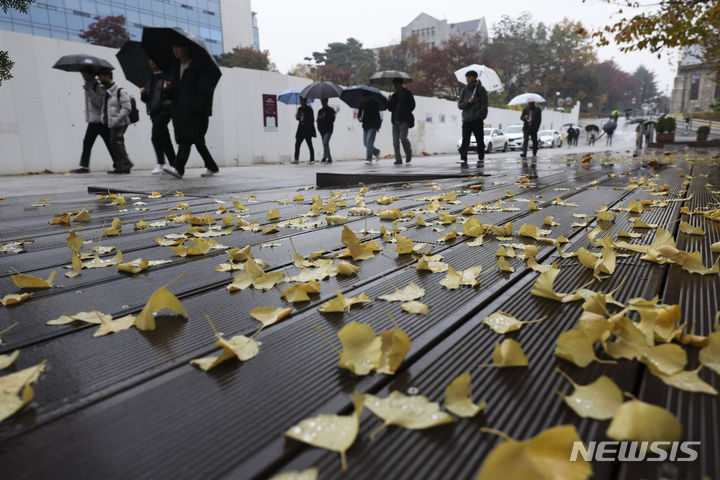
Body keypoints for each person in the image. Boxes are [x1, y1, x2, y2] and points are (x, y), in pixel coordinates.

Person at [163, 42, 218, 178]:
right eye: (173, 47)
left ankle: (178, 169)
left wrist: (196, 108)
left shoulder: (198, 68)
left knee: (186, 140)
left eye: (178, 46)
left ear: (186, 48)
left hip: (196, 112)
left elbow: (204, 91)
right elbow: (175, 94)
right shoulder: (175, 69)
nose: (175, 49)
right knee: (197, 141)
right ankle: (212, 166)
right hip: (180, 111)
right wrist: (168, 89)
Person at [70, 67, 114, 173]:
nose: (83, 77)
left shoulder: (97, 86)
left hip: (100, 121)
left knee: (109, 143)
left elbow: (99, 103)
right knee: (87, 142)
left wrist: (89, 91)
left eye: (84, 74)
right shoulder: (90, 85)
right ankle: (84, 166)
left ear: (91, 75)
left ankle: (119, 163)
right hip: (93, 121)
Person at [140, 59, 175, 174]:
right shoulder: (150, 78)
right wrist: (143, 94)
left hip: (164, 111)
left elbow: (172, 95)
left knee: (155, 136)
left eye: (154, 59)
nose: (151, 61)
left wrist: (168, 89)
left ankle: (160, 163)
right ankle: (174, 164)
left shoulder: (167, 76)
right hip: (153, 112)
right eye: (150, 59)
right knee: (165, 138)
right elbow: (147, 99)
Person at [97, 69, 133, 174]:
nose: (99, 79)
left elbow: (127, 107)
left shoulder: (119, 90)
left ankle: (126, 163)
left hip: (120, 122)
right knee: (116, 143)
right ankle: (123, 166)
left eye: (101, 76)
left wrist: (118, 119)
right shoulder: (107, 90)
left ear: (107, 76)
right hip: (112, 122)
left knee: (115, 142)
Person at [457, 70, 488, 168]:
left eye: (469, 77)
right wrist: (468, 101)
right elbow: (460, 105)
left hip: (477, 120)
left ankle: (481, 157)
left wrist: (480, 115)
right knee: (465, 140)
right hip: (466, 120)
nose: (467, 79)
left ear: (474, 78)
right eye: (466, 77)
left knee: (480, 140)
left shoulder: (481, 89)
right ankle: (463, 158)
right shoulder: (464, 90)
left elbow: (484, 105)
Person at [387, 78, 416, 164]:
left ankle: (408, 152)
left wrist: (405, 111)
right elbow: (390, 108)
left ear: (401, 84)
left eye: (397, 85)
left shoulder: (407, 93)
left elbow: (413, 105)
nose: (396, 87)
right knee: (395, 141)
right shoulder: (394, 95)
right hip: (395, 120)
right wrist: (389, 101)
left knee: (403, 138)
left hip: (404, 120)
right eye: (395, 85)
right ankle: (398, 159)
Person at [357, 92, 381, 164]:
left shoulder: (374, 103)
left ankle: (369, 158)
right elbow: (359, 114)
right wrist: (360, 118)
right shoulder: (362, 104)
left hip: (373, 125)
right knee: (365, 143)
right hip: (365, 126)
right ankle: (376, 152)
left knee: (369, 142)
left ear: (370, 96)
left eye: (366, 96)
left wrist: (378, 126)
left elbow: (377, 116)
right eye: (364, 97)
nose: (365, 98)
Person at [293, 96, 315, 163]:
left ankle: (312, 159)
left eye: (302, 100)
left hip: (307, 129)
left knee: (309, 144)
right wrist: (297, 117)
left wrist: (309, 128)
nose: (301, 101)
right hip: (301, 129)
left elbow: (312, 120)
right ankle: (296, 158)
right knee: (297, 144)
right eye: (300, 100)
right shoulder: (299, 109)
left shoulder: (309, 109)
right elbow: (300, 118)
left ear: (305, 101)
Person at [316, 99, 335, 163]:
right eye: (321, 100)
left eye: (324, 100)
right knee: (325, 144)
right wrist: (319, 129)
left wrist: (326, 115)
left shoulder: (331, 110)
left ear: (327, 101)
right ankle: (329, 158)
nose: (322, 102)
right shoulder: (320, 111)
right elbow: (318, 120)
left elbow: (333, 119)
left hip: (328, 130)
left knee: (325, 142)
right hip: (322, 130)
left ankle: (325, 157)